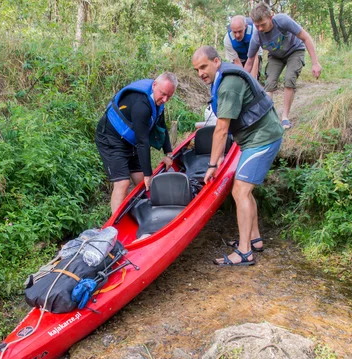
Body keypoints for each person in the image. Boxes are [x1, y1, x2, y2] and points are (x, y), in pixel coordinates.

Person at [192, 46, 284, 266]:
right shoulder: (221, 79)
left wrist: (213, 164)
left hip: (262, 139)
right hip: (255, 138)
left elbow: (222, 129)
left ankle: (244, 253)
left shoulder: (229, 85)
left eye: (204, 66)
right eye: (197, 69)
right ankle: (254, 239)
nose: (200, 73)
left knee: (240, 190)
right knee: (245, 189)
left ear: (216, 61)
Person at [95, 73, 178, 213]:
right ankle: (115, 228)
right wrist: (148, 174)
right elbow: (142, 142)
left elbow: (161, 126)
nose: (165, 99)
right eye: (163, 94)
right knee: (122, 183)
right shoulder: (141, 105)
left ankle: (140, 211)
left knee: (140, 180)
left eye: (169, 96)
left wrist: (168, 153)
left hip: (129, 139)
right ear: (154, 85)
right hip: (110, 138)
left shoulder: (158, 101)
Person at [244, 2, 322, 129]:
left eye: (263, 24)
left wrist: (315, 63)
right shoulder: (256, 35)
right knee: (269, 83)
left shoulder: (282, 21)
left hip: (294, 50)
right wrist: (242, 81)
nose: (260, 29)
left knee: (289, 79)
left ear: (270, 17)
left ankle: (285, 117)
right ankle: (269, 118)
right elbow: (249, 61)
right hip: (275, 56)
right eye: (257, 26)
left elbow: (306, 37)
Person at [223, 15, 261, 80]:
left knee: (253, 79)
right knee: (239, 78)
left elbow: (255, 58)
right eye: (234, 32)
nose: (237, 35)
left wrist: (253, 78)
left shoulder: (254, 31)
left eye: (240, 31)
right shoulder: (227, 40)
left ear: (245, 26)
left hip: (255, 55)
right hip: (239, 58)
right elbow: (237, 62)